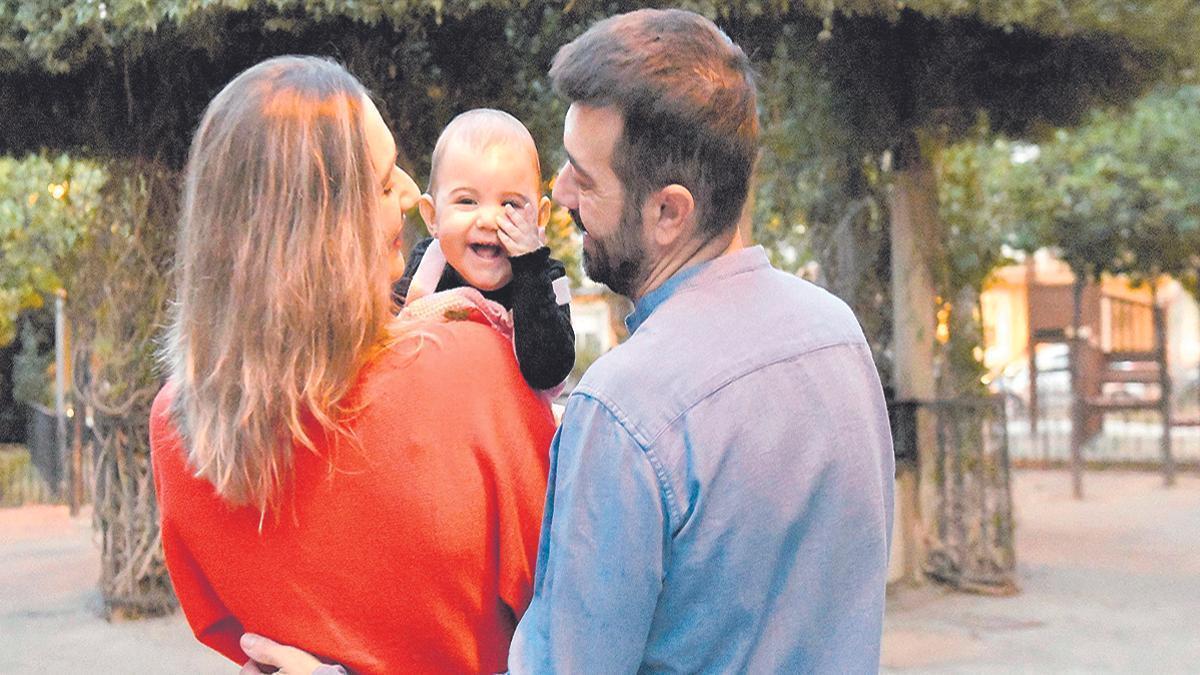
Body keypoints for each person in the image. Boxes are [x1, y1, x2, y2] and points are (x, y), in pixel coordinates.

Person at [245, 9, 895, 674]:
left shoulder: (627, 411)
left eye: (583, 176)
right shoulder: (836, 336)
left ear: (668, 212)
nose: (558, 194)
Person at [149, 55, 555, 674]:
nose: (407, 190)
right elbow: (568, 624)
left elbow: (235, 634)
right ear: (325, 225)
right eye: (384, 178)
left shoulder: (179, 428)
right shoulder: (474, 372)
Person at [393, 108, 575, 391]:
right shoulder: (426, 267)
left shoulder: (547, 277)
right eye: (467, 201)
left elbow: (549, 370)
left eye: (511, 205)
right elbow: (388, 348)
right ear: (432, 217)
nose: (489, 220)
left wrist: (529, 265)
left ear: (539, 218)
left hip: (510, 426)